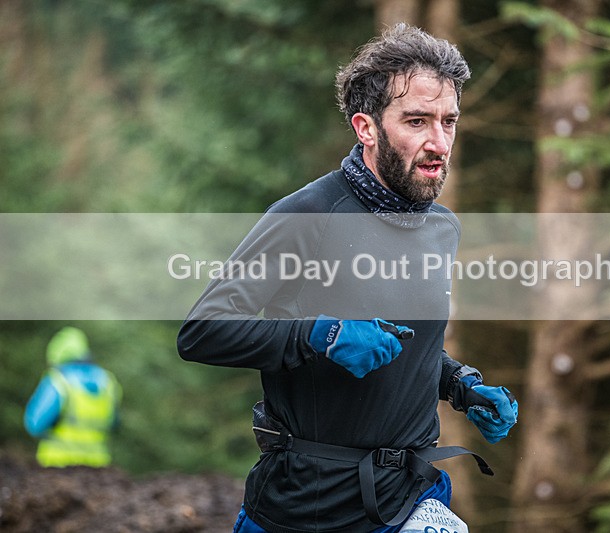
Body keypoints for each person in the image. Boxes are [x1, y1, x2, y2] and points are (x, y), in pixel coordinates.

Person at [177, 23, 518, 533]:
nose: (439, 142)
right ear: (367, 127)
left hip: (407, 498)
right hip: (306, 506)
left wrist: (460, 385)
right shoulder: (307, 217)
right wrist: (320, 334)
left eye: (449, 122)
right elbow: (202, 331)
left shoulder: (441, 228)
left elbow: (405, 340)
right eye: (417, 121)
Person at [24, 326, 122, 468]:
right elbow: (114, 422)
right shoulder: (108, 382)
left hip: (56, 465)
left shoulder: (59, 381)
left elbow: (34, 424)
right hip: (98, 469)